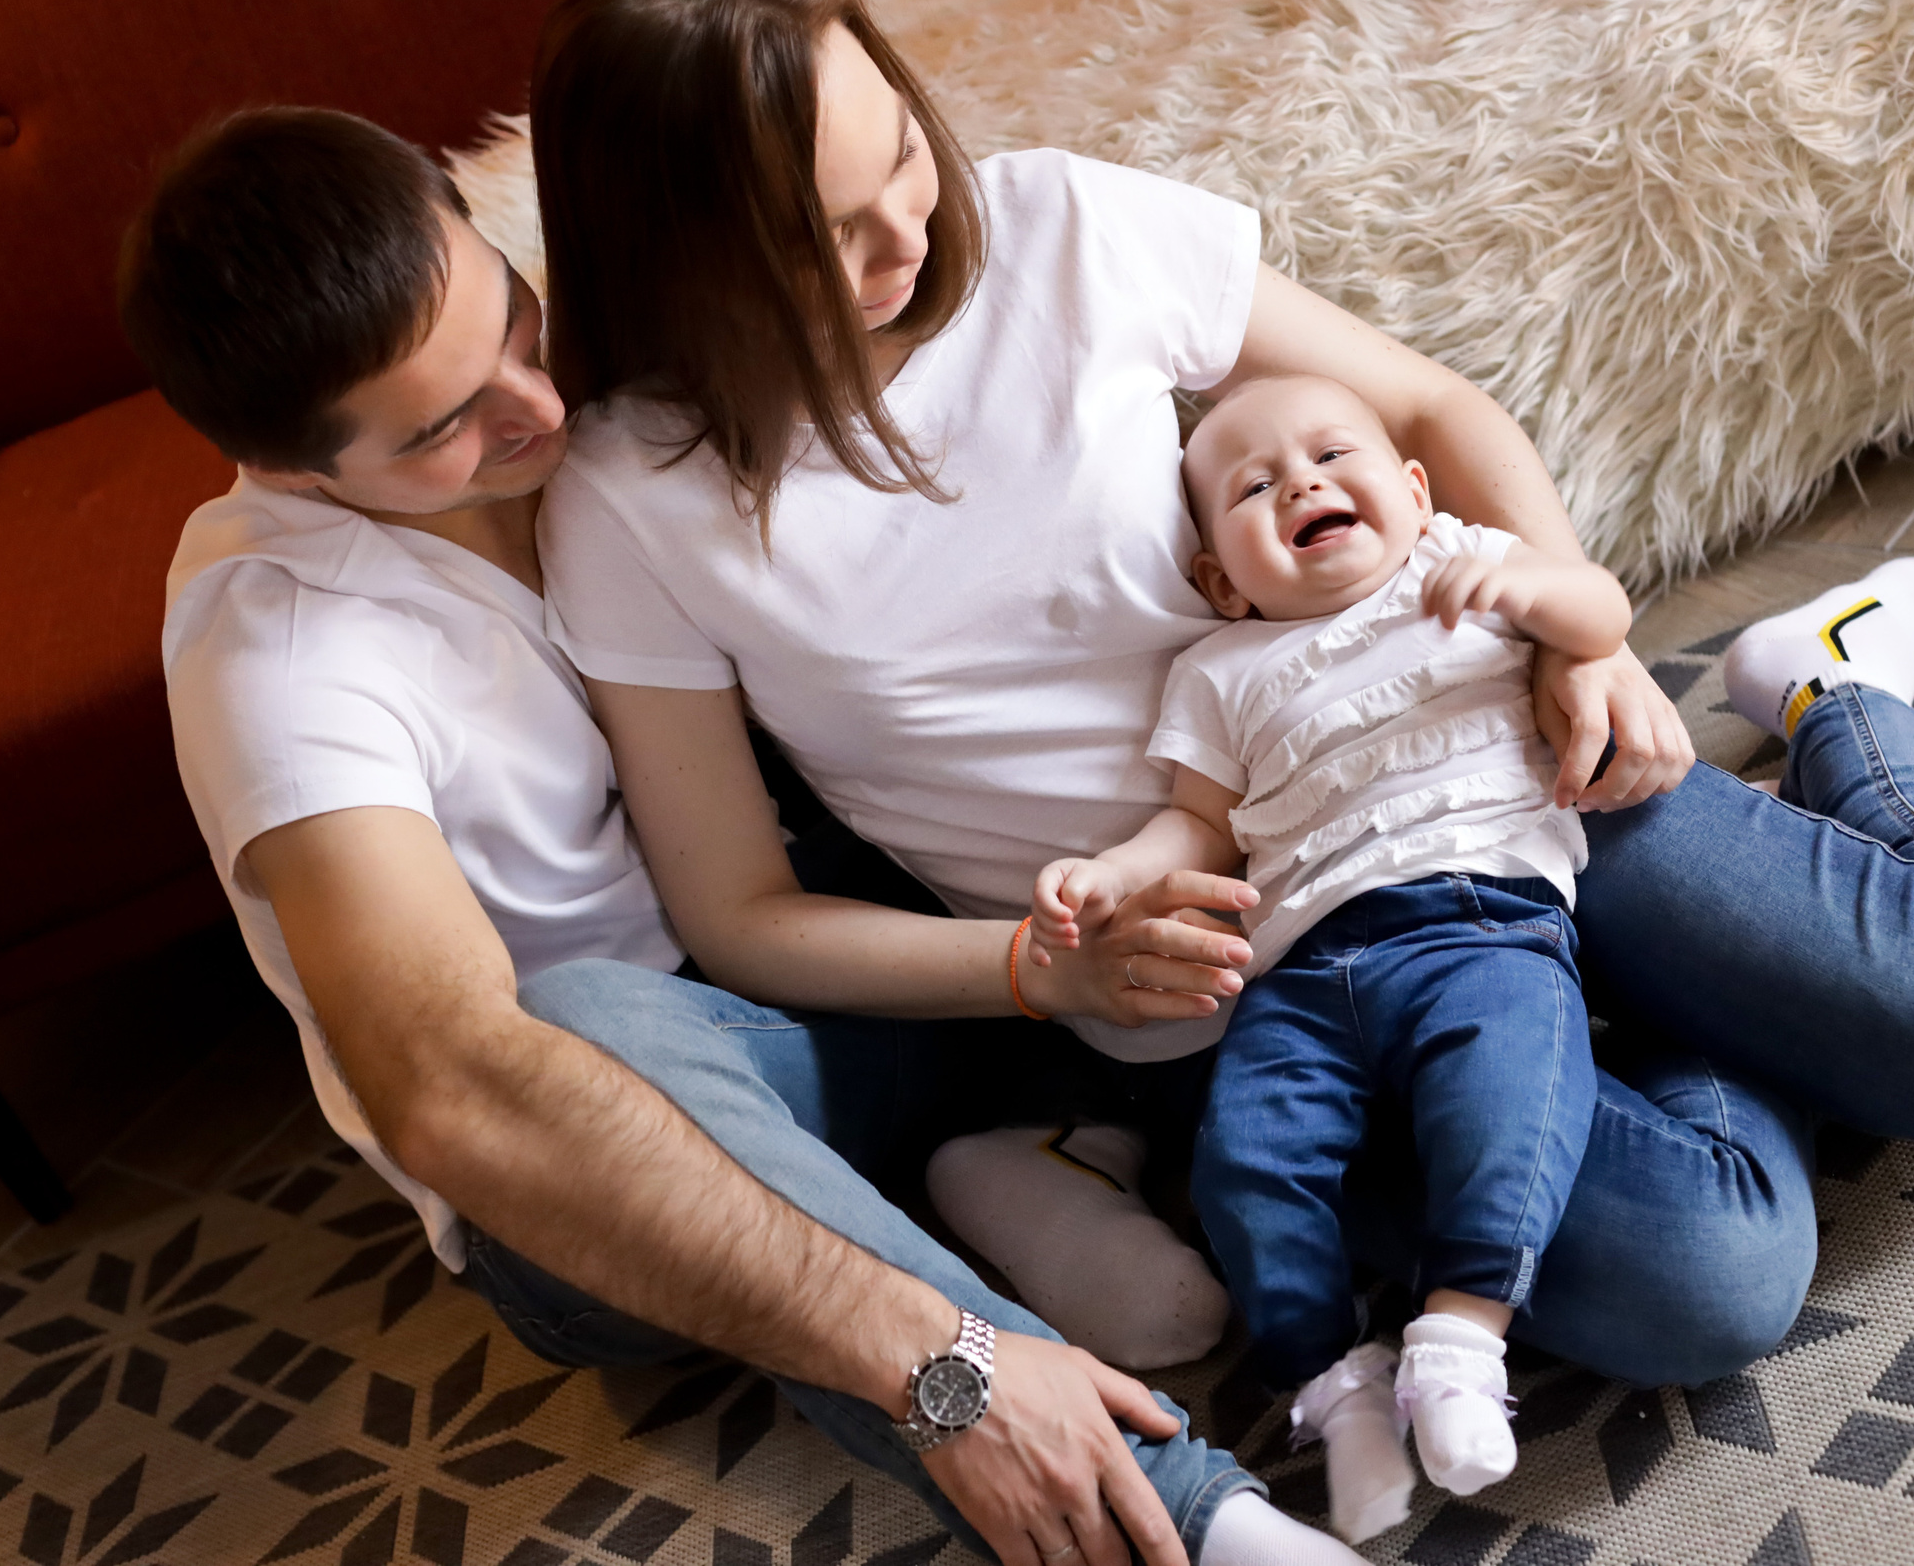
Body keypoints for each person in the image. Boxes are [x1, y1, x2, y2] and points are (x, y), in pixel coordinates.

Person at [527, 0, 1914, 1411]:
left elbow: (1424, 416)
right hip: (1261, 990)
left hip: (1498, 771)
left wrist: (1574, 622)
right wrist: (1035, 966)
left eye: (901, 165)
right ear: (681, 266)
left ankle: (1827, 685)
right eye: (827, 233)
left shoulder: (1059, 228)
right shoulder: (634, 498)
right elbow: (740, 911)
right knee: (1705, 1277)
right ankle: (1650, 1027)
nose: (907, 236)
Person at [131, 108, 1335, 1566]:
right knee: (581, 1022)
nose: (536, 405)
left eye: (515, 320)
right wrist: (943, 1369)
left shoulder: (598, 408)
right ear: (290, 465)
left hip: (817, 950)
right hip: (604, 1153)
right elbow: (455, 1088)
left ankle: (1033, 1145)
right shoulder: (286, 661)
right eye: (446, 426)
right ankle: (1206, 1523)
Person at [1030, 372, 1625, 1535]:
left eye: (1331, 456)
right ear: (1220, 580)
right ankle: (1334, 1389)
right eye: (1255, 488)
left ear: (1410, 491)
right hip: (1300, 977)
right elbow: (1194, 824)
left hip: (1482, 922)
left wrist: (1535, 586)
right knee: (1244, 1166)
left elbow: (1600, 613)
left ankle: (1457, 1340)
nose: (1302, 481)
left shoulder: (1456, 567)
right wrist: (1110, 873)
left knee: (1510, 1107)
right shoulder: (1216, 673)